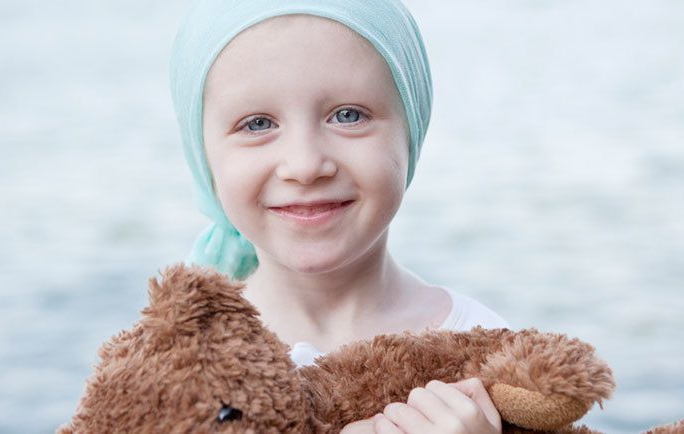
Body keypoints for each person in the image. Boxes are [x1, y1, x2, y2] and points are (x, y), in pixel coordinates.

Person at [169, 1, 509, 433]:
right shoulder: (176, 362)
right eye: (257, 124)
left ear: (412, 133)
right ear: (203, 157)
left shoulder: (486, 350)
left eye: (348, 116)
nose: (305, 165)